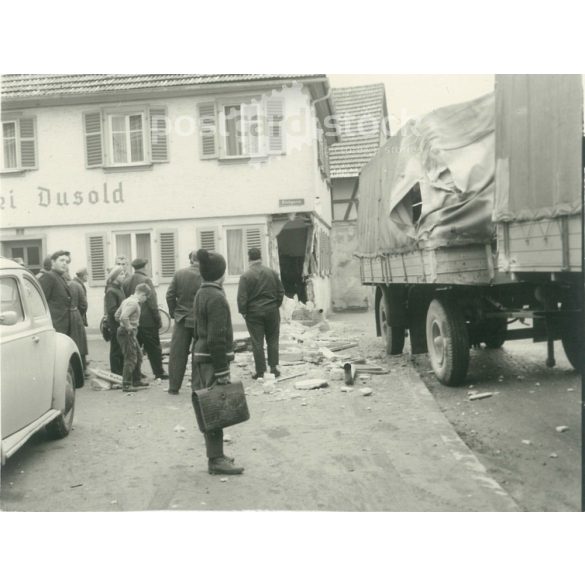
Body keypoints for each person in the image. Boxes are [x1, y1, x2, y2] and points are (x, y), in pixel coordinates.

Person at [191, 248, 243, 475]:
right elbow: (216, 337)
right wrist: (222, 370)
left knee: (208, 407)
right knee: (216, 408)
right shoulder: (217, 297)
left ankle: (216, 455)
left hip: (201, 357)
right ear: (221, 274)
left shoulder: (201, 293)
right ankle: (216, 460)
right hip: (212, 360)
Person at [237, 247, 285, 379]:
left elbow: (241, 298)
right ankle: (274, 368)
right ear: (261, 257)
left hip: (253, 313)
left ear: (249, 259)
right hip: (271, 311)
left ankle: (260, 371)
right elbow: (281, 292)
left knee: (257, 342)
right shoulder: (272, 273)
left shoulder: (245, 276)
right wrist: (275, 305)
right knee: (273, 340)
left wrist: (244, 312)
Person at [123, 258, 168, 380]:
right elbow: (152, 301)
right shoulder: (146, 280)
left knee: (135, 348)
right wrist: (158, 319)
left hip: (133, 320)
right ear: (144, 267)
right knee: (154, 348)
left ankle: (136, 374)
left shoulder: (127, 280)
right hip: (148, 321)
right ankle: (159, 372)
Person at [165, 250, 202, 395]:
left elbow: (170, 295)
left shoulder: (179, 274)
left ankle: (174, 387)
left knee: (177, 354)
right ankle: (196, 387)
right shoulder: (207, 274)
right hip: (199, 319)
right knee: (198, 352)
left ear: (191, 260)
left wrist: (174, 312)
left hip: (181, 318)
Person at [115, 283, 151, 392]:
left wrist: (125, 325)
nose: (145, 300)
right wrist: (129, 328)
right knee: (130, 358)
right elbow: (123, 316)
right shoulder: (134, 303)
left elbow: (116, 315)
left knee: (138, 356)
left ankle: (136, 380)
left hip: (126, 331)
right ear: (142, 294)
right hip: (127, 332)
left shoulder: (126, 300)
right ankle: (126, 384)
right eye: (146, 297)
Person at [39, 250, 74, 336]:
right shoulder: (49, 277)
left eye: (66, 261)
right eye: (61, 260)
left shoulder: (60, 277)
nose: (65, 263)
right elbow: (40, 303)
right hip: (55, 327)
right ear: (53, 262)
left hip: (64, 327)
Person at [104, 266, 127, 376]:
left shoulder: (119, 288)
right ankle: (116, 372)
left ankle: (121, 371)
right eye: (121, 274)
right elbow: (112, 310)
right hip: (115, 324)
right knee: (116, 349)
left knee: (120, 348)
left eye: (124, 273)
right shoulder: (111, 291)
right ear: (115, 276)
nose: (124, 276)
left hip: (120, 323)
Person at [66, 268, 89, 375]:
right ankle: (82, 369)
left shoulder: (67, 285)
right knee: (79, 343)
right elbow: (84, 304)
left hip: (65, 317)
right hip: (76, 316)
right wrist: (79, 314)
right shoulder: (77, 285)